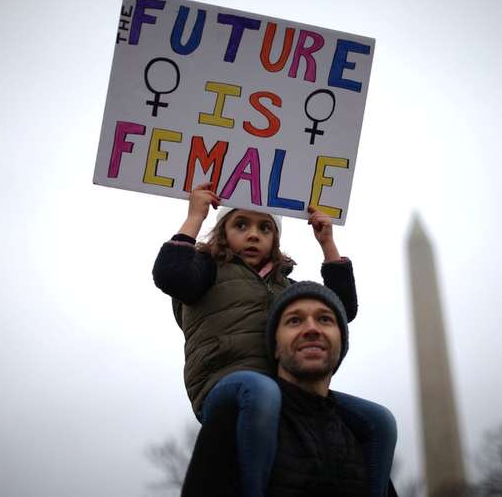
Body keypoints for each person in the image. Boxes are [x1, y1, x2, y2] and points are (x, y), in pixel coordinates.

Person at [153, 183, 395, 497]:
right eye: (241, 225)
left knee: (379, 420)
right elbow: (171, 274)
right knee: (260, 390)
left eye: (264, 228)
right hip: (226, 386)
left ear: (275, 239)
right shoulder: (206, 271)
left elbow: (341, 310)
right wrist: (194, 217)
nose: (253, 234)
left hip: (287, 394)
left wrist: (327, 244)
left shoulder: (286, 286)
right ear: (223, 232)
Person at [180, 281, 399, 497]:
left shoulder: (365, 439)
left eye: (324, 319)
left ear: (341, 342)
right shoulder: (236, 419)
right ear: (275, 347)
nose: (312, 329)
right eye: (294, 320)